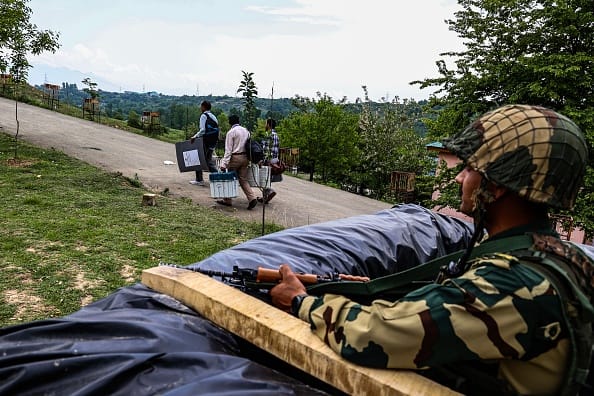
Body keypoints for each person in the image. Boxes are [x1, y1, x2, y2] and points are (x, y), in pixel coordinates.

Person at [270, 105, 594, 395]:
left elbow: (372, 337)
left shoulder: (511, 284)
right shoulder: (561, 258)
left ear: (495, 186)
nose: (459, 179)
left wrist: (301, 301)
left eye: (469, 169)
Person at [218, 114, 258, 210]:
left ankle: (227, 200)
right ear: (239, 121)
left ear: (230, 122)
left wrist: (224, 164)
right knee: (243, 179)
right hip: (245, 158)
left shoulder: (231, 132)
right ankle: (252, 198)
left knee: (229, 178)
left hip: (235, 158)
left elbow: (228, 150)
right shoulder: (246, 131)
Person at [189, 101, 219, 186]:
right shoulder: (213, 116)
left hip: (205, 141)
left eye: (201, 106)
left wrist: (195, 136)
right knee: (207, 160)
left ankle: (199, 179)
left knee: (199, 159)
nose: (200, 108)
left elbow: (203, 130)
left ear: (204, 107)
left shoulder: (204, 116)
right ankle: (217, 176)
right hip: (212, 141)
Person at [258, 118, 280, 204]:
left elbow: (265, 149)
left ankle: (269, 191)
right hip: (275, 160)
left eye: (265, 123)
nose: (264, 125)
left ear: (268, 125)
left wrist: (262, 160)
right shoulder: (276, 135)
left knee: (263, 177)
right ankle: (265, 198)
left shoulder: (267, 135)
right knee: (268, 178)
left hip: (268, 160)